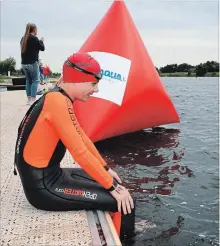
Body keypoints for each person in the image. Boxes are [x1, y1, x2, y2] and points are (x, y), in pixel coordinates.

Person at [14, 52, 135, 239]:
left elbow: (82, 138)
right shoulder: (57, 102)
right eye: (93, 84)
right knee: (125, 203)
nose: (95, 90)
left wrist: (106, 168)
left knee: (114, 183)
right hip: (43, 187)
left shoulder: (57, 96)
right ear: (78, 80)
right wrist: (113, 188)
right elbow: (79, 152)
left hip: (51, 175)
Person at [20, 23, 45, 105]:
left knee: (28, 81)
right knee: (35, 80)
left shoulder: (23, 38)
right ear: (34, 30)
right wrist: (41, 41)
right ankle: (33, 100)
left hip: (24, 63)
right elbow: (42, 48)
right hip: (32, 63)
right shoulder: (34, 38)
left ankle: (29, 99)